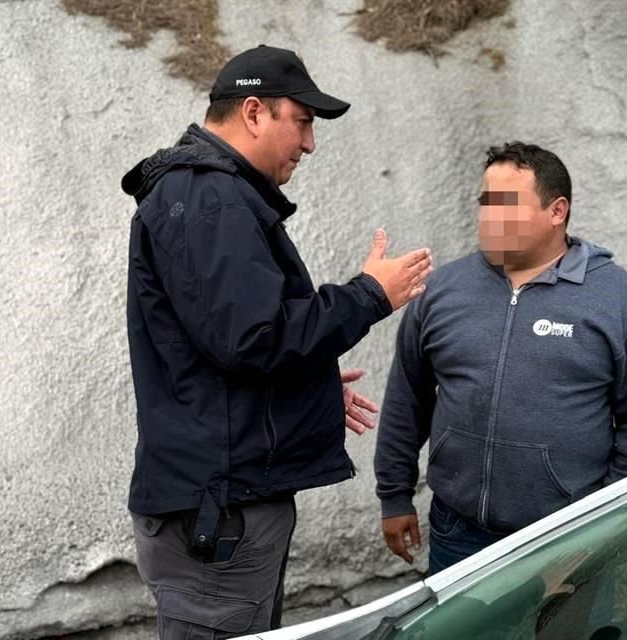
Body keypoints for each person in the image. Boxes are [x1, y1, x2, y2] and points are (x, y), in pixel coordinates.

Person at [121, 45, 433, 639]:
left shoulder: (207, 195)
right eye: (304, 120)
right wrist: (371, 294)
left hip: (222, 504)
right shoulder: (209, 198)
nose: (310, 143)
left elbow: (221, 350)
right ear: (256, 112)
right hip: (220, 511)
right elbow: (253, 338)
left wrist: (308, 390)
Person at [375, 141, 627, 577]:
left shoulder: (618, 301)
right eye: (486, 203)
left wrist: (605, 520)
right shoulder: (444, 291)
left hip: (569, 535)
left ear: (557, 211)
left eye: (507, 205)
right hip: (457, 532)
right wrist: (395, 494)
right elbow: (407, 397)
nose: (490, 217)